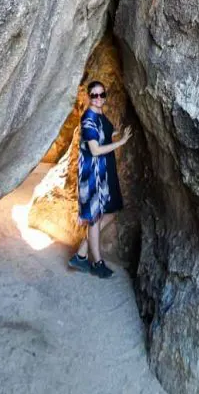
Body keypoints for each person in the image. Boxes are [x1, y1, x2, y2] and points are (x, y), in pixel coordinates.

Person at [68, 80, 132, 278]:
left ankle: (81, 253)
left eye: (101, 95)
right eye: (94, 95)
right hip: (94, 173)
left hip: (105, 171)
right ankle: (97, 262)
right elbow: (95, 149)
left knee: (110, 213)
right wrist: (120, 142)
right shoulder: (88, 118)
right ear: (88, 96)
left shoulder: (99, 115)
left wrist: (117, 133)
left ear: (105, 96)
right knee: (95, 218)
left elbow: (103, 134)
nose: (98, 99)